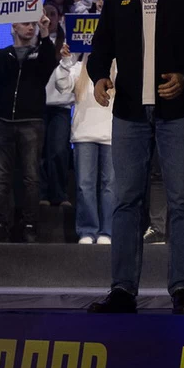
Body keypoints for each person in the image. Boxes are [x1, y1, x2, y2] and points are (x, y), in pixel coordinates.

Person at [85, 0, 184, 314]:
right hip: (129, 112)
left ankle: (183, 290)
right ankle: (122, 289)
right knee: (126, 201)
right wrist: (99, 75)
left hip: (179, 110)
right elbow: (102, 44)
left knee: (181, 200)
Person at [0, 14, 59, 243]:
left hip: (31, 122)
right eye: (26, 24)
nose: (30, 27)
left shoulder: (40, 54)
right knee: (1, 177)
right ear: (14, 26)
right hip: (2, 122)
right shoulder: (4, 55)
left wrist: (45, 33)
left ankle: (30, 226)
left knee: (31, 177)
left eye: (33, 24)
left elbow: (50, 62)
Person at [71, 46, 114, 246]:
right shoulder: (77, 68)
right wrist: (66, 61)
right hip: (84, 135)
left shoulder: (118, 69)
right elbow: (61, 86)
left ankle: (108, 231)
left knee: (110, 186)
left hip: (111, 135)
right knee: (84, 185)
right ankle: (87, 230)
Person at [40, 1, 78, 210]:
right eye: (44, 13)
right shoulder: (33, 39)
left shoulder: (69, 42)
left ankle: (59, 193)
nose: (48, 18)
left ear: (60, 17)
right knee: (39, 152)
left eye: (52, 14)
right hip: (37, 104)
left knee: (58, 150)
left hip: (61, 105)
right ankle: (42, 193)